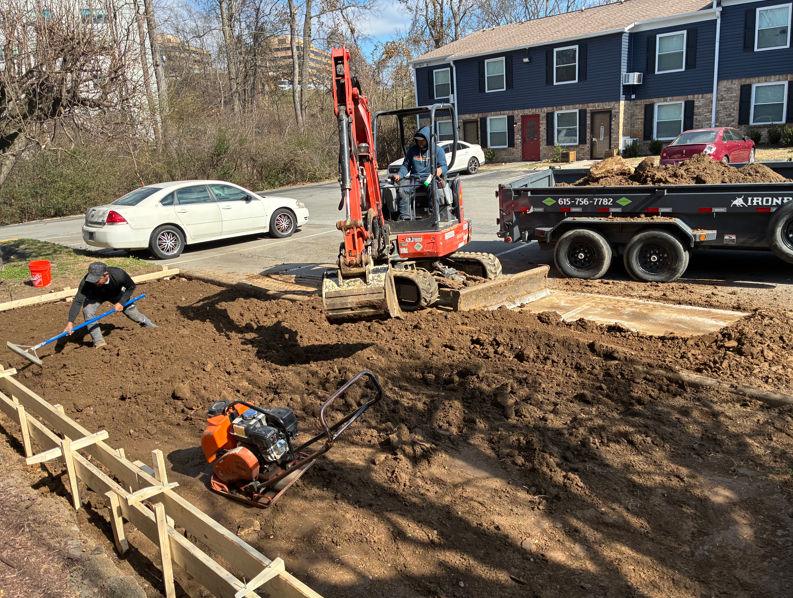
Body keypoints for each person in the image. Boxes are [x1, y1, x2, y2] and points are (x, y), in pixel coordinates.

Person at [64, 262, 155, 348]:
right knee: (87, 311)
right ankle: (99, 342)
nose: (94, 282)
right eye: (92, 280)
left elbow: (131, 287)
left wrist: (121, 303)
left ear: (106, 275)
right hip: (95, 296)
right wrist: (70, 322)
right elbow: (78, 301)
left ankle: (152, 328)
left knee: (134, 315)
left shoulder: (119, 275)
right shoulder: (86, 281)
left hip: (115, 294)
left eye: (97, 280)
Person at [393, 126, 448, 220]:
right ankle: (405, 218)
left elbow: (444, 166)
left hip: (428, 178)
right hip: (414, 180)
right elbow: (406, 166)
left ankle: (433, 216)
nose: (419, 142)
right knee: (403, 190)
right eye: (418, 140)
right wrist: (399, 175)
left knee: (432, 187)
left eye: (422, 140)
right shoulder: (412, 150)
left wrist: (440, 170)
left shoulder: (438, 151)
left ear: (428, 139)